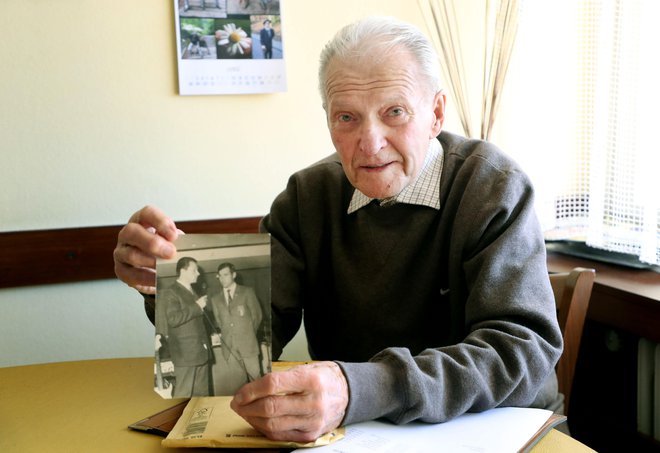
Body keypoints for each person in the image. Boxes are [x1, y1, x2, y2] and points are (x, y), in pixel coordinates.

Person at [114, 16, 563, 443]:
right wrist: (167, 281)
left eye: (394, 112)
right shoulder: (307, 196)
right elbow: (241, 340)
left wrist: (358, 388)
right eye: (346, 117)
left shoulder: (491, 186)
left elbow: (520, 351)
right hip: (353, 439)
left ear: (437, 113)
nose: (370, 143)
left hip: (496, 431)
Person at [157, 256, 212, 397]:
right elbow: (173, 319)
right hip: (185, 354)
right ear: (183, 271)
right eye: (195, 270)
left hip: (201, 352)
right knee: (184, 394)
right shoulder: (172, 292)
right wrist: (197, 306)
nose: (198, 273)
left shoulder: (193, 292)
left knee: (202, 394)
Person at [210, 262, 265, 393]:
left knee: (256, 383)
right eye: (220, 276)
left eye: (226, 275)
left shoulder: (247, 292)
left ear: (233, 275)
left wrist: (248, 334)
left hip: (248, 346)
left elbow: (257, 316)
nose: (222, 278)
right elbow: (219, 322)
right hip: (230, 350)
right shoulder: (215, 299)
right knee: (238, 387)